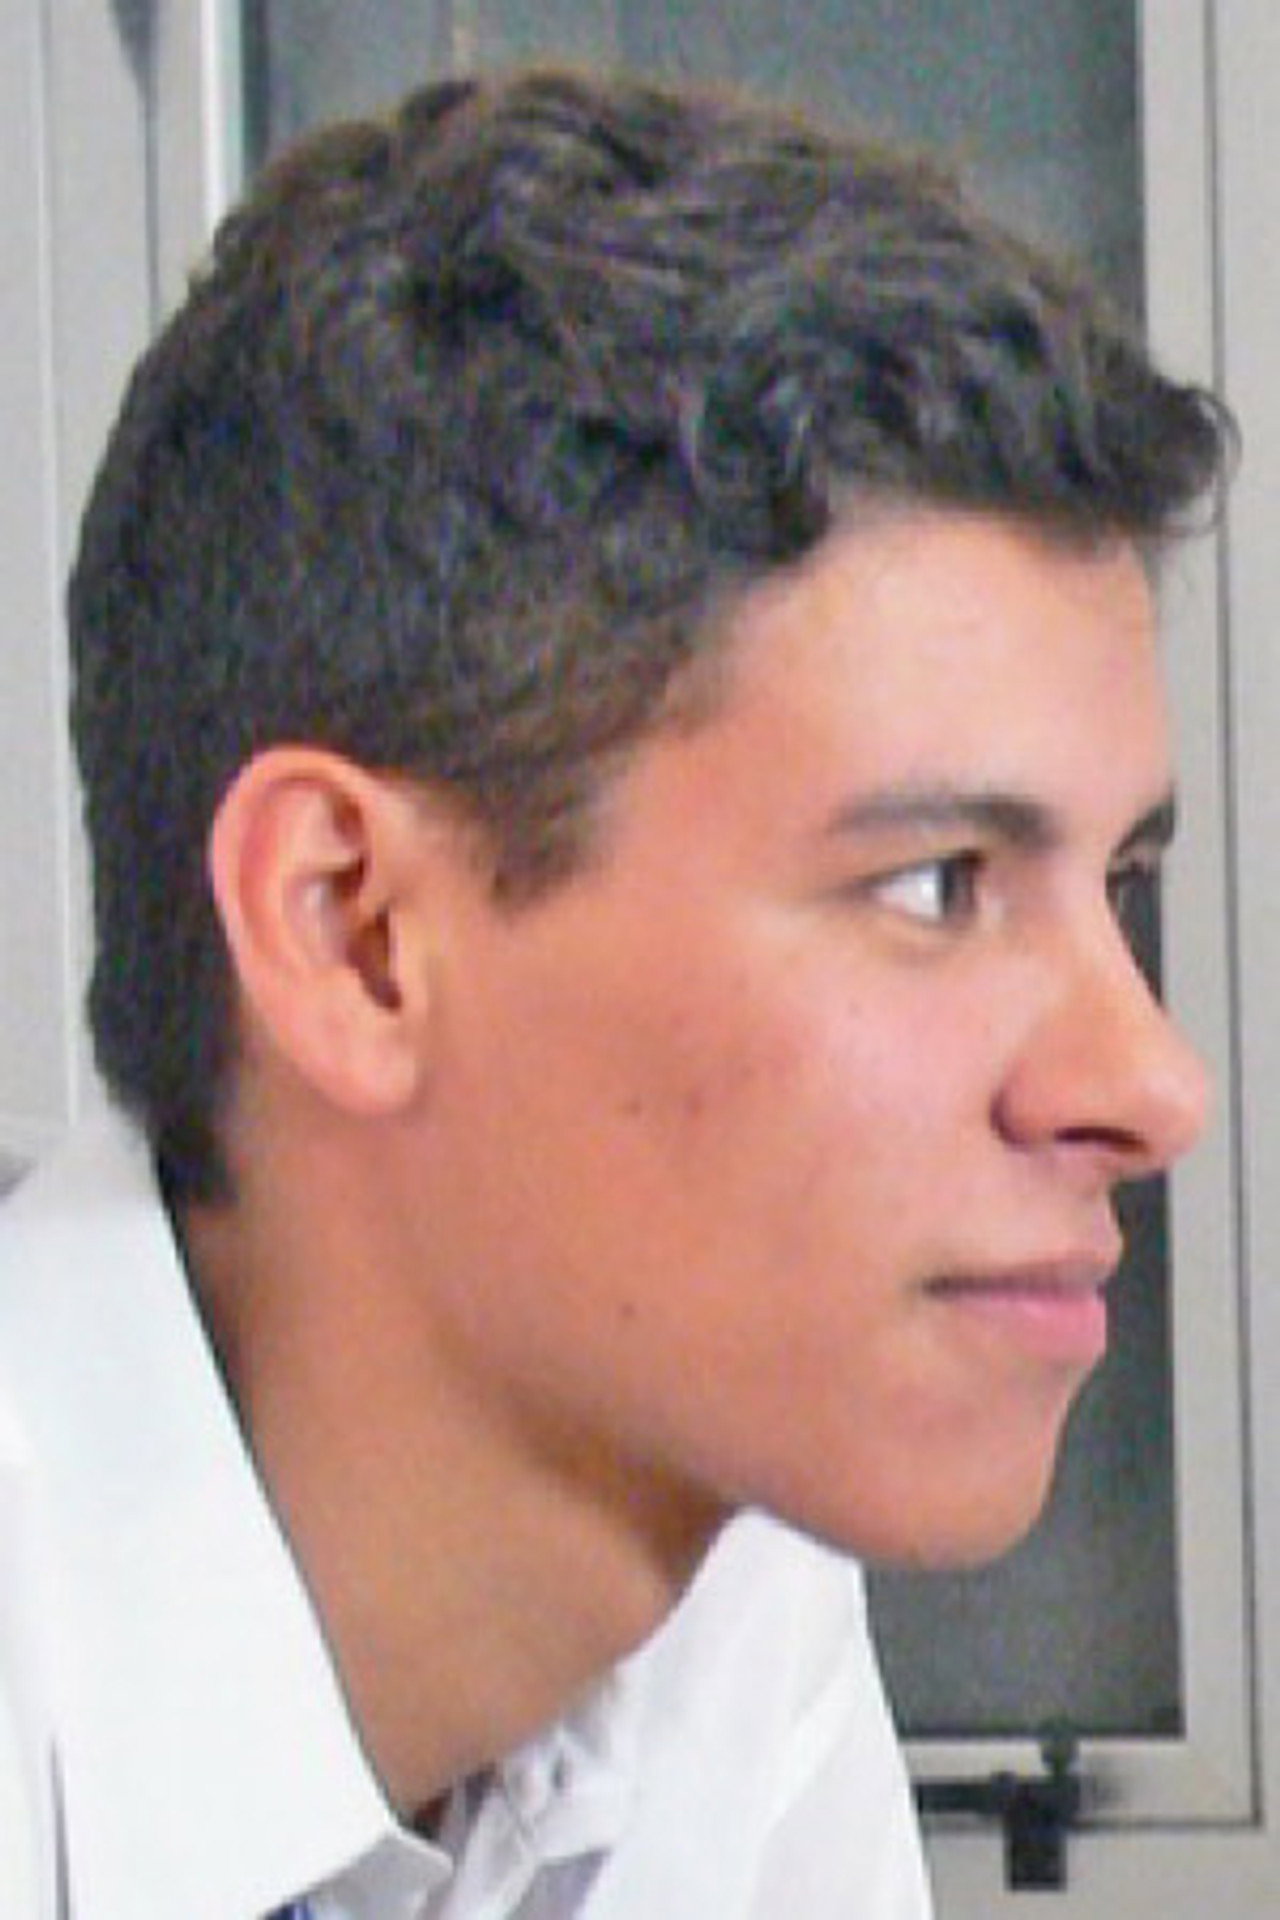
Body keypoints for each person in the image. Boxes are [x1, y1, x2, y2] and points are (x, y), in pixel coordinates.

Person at [0, 63, 1230, 1920]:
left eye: (1117, 883)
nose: (1148, 1082)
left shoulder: (720, 1588)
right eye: (935, 885)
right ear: (353, 933)